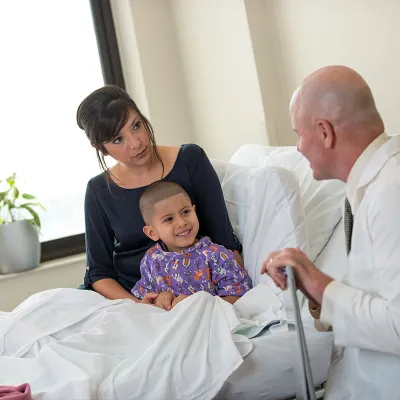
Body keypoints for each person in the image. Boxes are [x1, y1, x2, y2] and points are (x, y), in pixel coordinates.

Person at [262, 65, 400, 399]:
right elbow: (375, 296)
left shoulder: (391, 193)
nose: (297, 148)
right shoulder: (369, 187)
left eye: (299, 134)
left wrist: (319, 284)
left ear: (325, 132)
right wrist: (314, 290)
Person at [77, 85, 243, 310]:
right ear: (102, 148)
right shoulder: (98, 191)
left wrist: (230, 301)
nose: (136, 143)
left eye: (136, 126)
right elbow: (99, 274)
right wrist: (142, 307)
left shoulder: (190, 160)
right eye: (118, 139)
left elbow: (224, 241)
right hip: (133, 298)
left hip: (196, 293)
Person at [131, 181, 252, 309]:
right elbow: (144, 300)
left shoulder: (216, 255)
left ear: (194, 211)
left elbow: (240, 297)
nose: (181, 222)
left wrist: (197, 304)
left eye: (185, 212)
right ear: (152, 232)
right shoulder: (151, 260)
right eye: (168, 219)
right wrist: (159, 299)